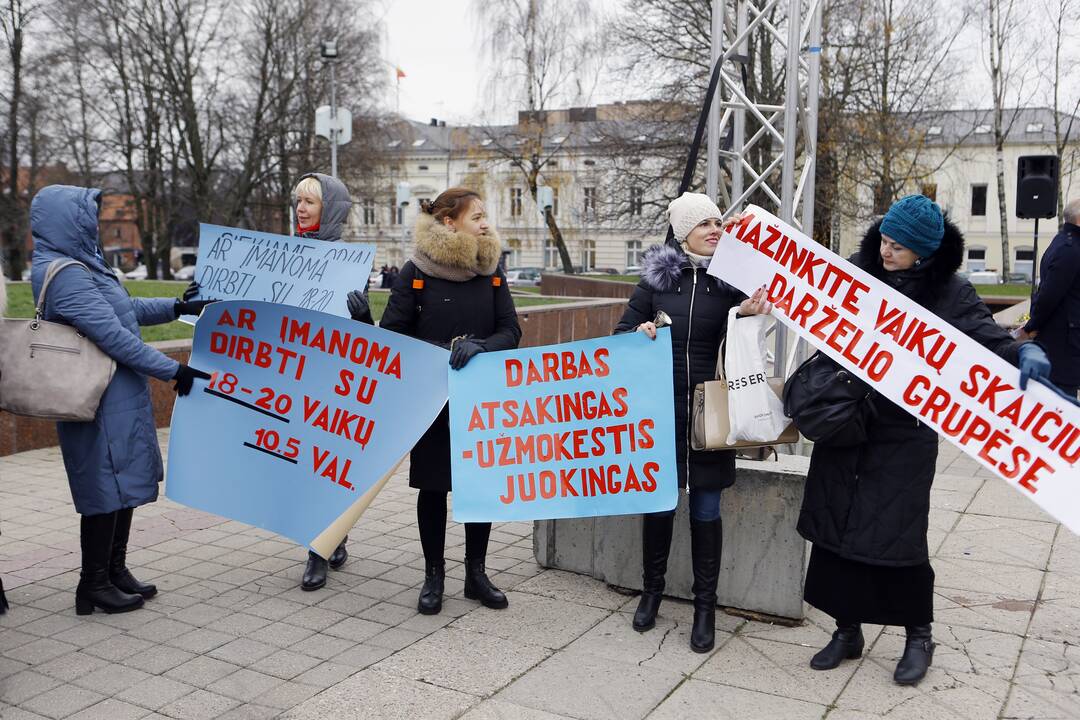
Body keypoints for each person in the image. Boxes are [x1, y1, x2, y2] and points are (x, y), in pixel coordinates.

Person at [800, 195, 1052, 685]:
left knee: (900, 535)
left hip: (905, 433)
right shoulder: (860, 270)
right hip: (847, 419)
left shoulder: (950, 292)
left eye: (899, 246)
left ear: (925, 252)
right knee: (838, 527)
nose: (887, 251)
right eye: (885, 240)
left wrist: (1027, 352)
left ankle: (919, 635)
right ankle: (846, 630)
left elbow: (989, 337)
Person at [29, 185, 215, 615]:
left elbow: (124, 309)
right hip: (96, 397)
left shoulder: (84, 265)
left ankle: (115, 570)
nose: (93, 222)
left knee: (123, 482)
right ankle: (91, 583)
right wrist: (174, 370)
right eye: (87, 215)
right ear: (67, 220)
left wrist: (177, 306)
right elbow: (111, 336)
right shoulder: (65, 272)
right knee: (104, 486)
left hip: (117, 394)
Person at [614, 192, 771, 653]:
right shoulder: (657, 282)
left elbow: (754, 331)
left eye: (718, 222)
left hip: (713, 413)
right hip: (661, 411)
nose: (714, 229)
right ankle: (652, 593)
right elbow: (621, 334)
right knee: (660, 505)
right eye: (704, 223)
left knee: (706, 510)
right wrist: (640, 334)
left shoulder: (733, 280)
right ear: (684, 232)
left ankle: (706, 609)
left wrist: (742, 316)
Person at [380, 187, 521, 615]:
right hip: (432, 399)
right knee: (433, 486)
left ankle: (475, 574)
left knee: (479, 486)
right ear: (448, 222)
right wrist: (443, 348)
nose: (484, 223)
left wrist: (480, 346)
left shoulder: (491, 272)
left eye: (484, 215)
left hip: (480, 401)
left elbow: (510, 331)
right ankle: (433, 575)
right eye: (476, 216)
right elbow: (394, 334)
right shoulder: (415, 272)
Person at [1017, 198, 1080, 396]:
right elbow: (1049, 295)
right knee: (1062, 403)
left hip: (1061, 341)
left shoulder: (1063, 243)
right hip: (1063, 345)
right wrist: (1030, 327)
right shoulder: (1071, 250)